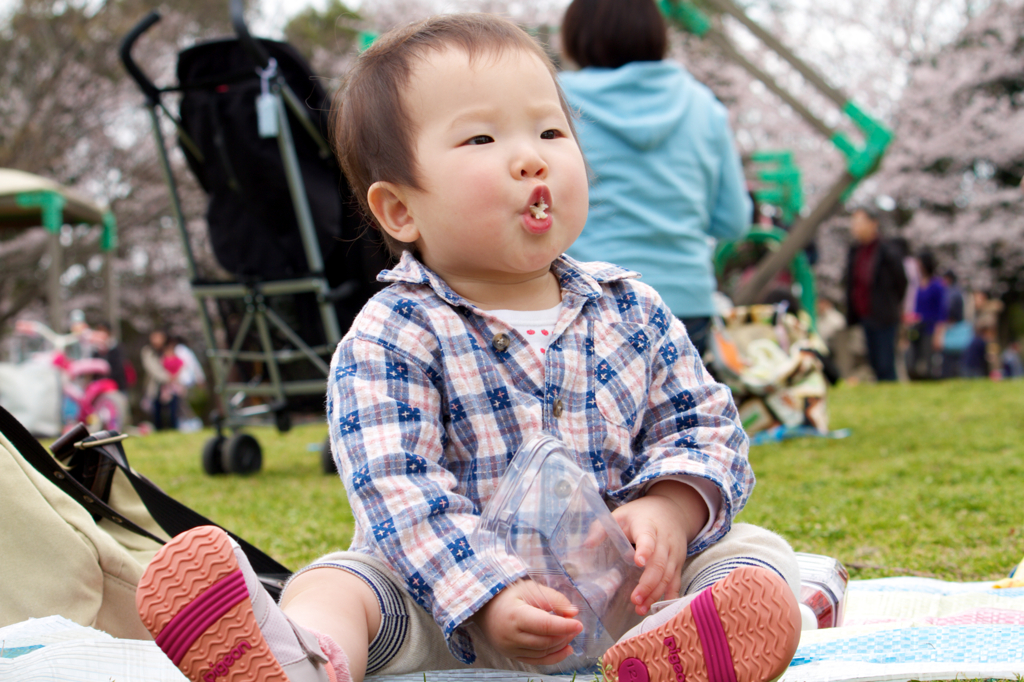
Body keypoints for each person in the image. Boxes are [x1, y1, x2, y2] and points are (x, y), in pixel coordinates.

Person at [134, 14, 801, 682]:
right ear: (400, 212)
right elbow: (397, 487)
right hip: (441, 608)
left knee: (753, 551)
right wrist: (486, 594)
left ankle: (683, 646)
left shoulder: (632, 309)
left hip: (631, 591)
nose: (531, 156)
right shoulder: (393, 334)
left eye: (550, 131)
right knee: (343, 582)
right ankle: (308, 657)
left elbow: (705, 424)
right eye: (482, 137)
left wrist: (671, 508)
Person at [558, 0, 751, 357]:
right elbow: (734, 221)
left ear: (575, 35)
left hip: (587, 296)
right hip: (685, 302)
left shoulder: (556, 100)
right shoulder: (704, 105)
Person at [844, 206, 908, 381]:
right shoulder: (855, 251)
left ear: (873, 224)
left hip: (884, 314)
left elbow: (901, 281)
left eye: (859, 222)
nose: (855, 227)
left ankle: (891, 395)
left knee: (885, 361)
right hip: (864, 313)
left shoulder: (887, 250)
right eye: (854, 223)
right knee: (873, 360)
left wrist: (891, 303)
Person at [908, 251, 946, 380]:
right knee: (911, 358)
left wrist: (938, 333)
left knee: (928, 360)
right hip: (916, 326)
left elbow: (942, 311)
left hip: (930, 327)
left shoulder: (937, 285)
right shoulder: (917, 285)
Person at [140, 329, 178, 430]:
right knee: (157, 413)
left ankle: (174, 429)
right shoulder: (148, 351)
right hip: (155, 386)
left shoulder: (169, 349)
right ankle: (159, 430)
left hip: (171, 386)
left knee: (173, 411)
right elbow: (152, 368)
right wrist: (167, 377)